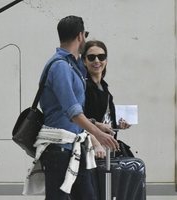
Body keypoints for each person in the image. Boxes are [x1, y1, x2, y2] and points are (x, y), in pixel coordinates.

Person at [38, 16, 119, 200]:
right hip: (59, 149)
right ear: (80, 36)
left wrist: (96, 125)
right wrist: (98, 134)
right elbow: (72, 111)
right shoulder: (60, 67)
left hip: (73, 147)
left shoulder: (70, 65)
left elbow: (72, 113)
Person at [82, 40, 131, 131]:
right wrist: (97, 125)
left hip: (107, 143)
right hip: (91, 143)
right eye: (91, 57)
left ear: (106, 60)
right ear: (84, 61)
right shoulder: (82, 86)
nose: (97, 61)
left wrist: (118, 124)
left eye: (101, 57)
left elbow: (106, 120)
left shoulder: (104, 88)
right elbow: (76, 119)